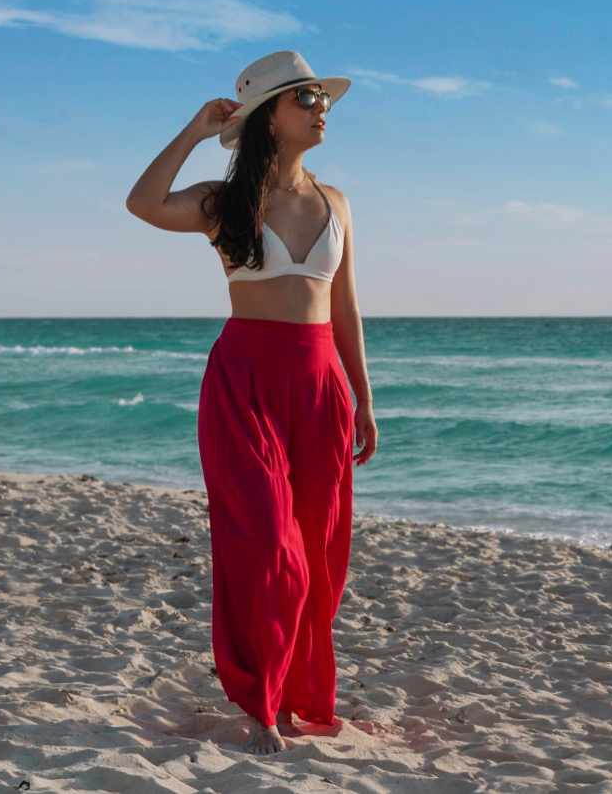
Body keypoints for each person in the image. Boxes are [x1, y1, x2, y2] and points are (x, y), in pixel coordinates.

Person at [124, 50, 378, 755]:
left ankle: (297, 697)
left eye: (322, 98)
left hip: (321, 383)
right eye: (306, 98)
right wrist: (194, 130)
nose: (321, 108)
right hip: (244, 385)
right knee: (270, 544)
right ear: (270, 116)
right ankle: (261, 702)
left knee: (321, 557)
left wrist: (364, 395)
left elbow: (347, 306)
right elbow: (142, 202)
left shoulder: (339, 203)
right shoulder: (223, 202)